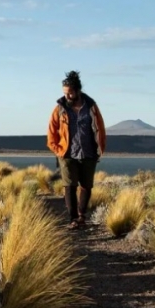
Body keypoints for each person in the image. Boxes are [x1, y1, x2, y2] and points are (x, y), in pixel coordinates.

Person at [47, 71, 106, 229]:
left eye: (70, 92)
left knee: (86, 185)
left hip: (88, 152)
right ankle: (72, 219)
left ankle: (82, 216)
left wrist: (100, 149)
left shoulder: (91, 107)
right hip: (67, 154)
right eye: (65, 93)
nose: (67, 96)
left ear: (78, 90)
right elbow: (51, 133)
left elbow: (100, 128)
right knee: (69, 185)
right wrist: (58, 150)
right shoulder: (59, 109)